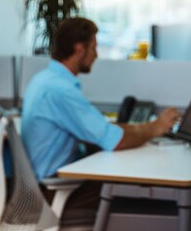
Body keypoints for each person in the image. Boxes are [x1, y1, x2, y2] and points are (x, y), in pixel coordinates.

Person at [22, 17, 180, 181]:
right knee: (124, 186)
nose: (96, 55)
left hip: (45, 177)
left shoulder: (43, 80)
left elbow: (103, 129)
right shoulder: (62, 91)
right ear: (79, 49)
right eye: (93, 48)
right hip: (55, 186)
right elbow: (114, 140)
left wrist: (143, 127)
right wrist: (155, 128)